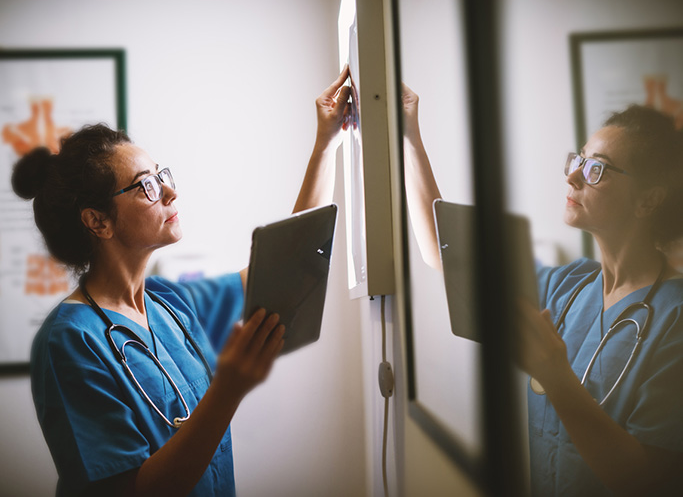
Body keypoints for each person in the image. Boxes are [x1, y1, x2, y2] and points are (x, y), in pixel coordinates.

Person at [12, 67, 350, 497]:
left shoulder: (170, 303)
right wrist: (227, 392)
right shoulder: (69, 343)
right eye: (145, 186)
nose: (170, 193)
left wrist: (326, 143)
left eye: (162, 175)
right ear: (97, 221)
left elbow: (289, 261)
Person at [402, 86, 683, 495]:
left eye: (596, 168)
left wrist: (555, 375)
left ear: (648, 200)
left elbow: (644, 479)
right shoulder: (566, 286)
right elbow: (443, 254)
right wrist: (410, 134)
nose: (572, 175)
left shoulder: (675, 318)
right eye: (579, 160)